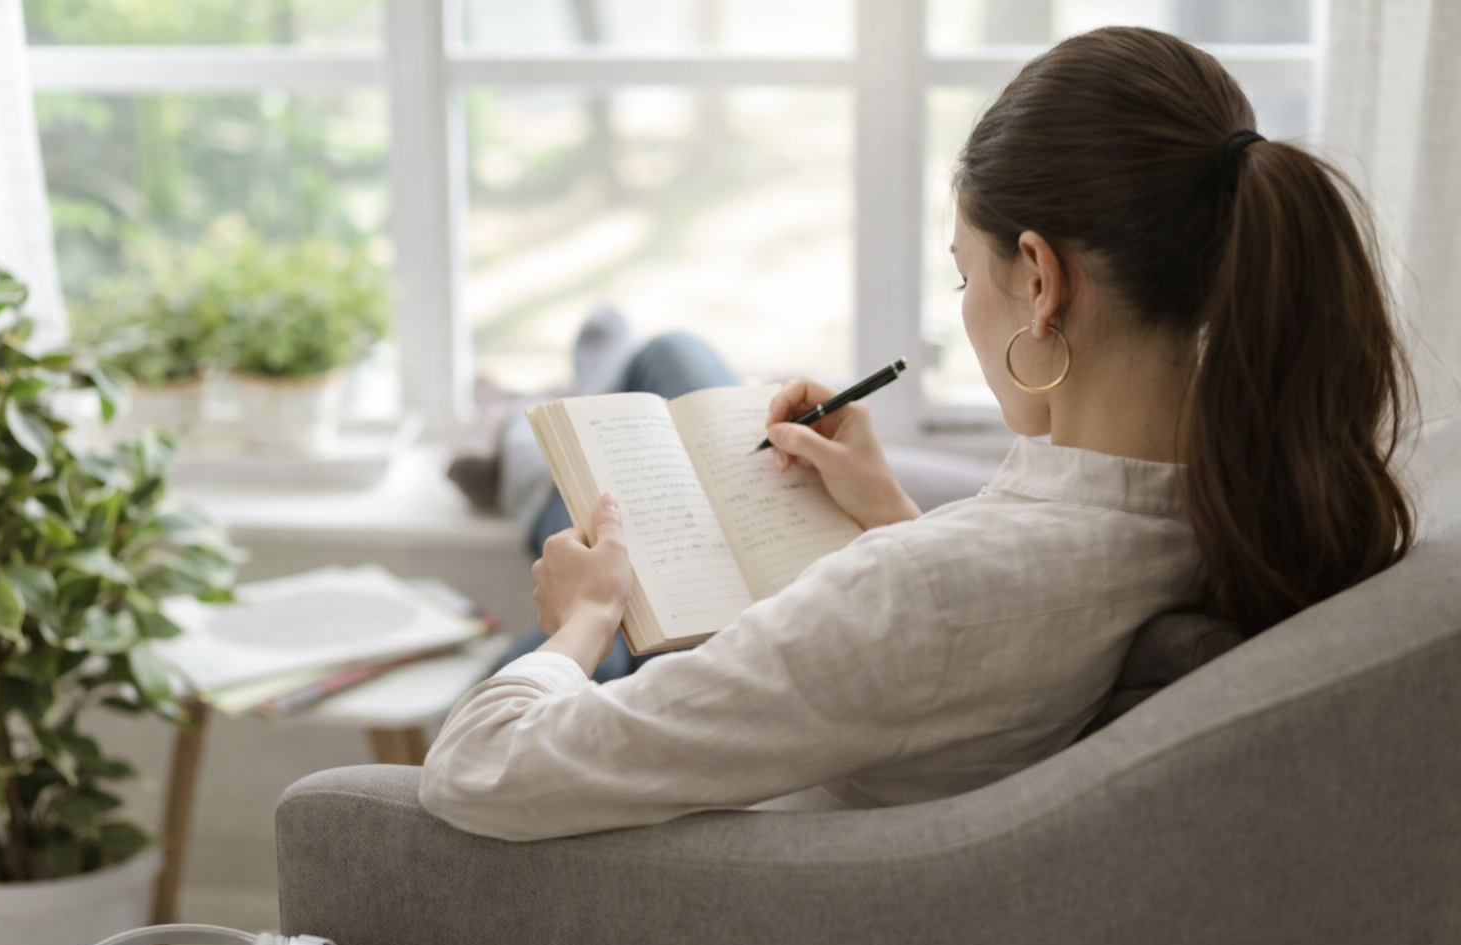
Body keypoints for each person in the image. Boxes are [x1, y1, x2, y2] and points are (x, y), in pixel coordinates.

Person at [419, 26, 1416, 842]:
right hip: (851, 689)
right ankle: (564, 403)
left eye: (963, 275)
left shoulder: (917, 595)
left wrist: (585, 620)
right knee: (669, 365)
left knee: (652, 386)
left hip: (732, 794)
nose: (965, 307)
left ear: (1041, 280)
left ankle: (536, 424)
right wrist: (887, 509)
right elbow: (978, 634)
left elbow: (475, 768)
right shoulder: (1271, 505)